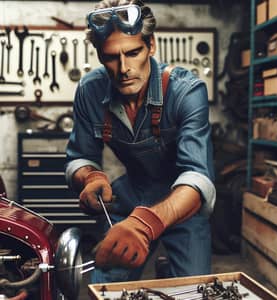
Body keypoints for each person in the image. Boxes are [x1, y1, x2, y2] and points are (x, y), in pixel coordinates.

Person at [65, 0, 216, 283]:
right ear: (99, 55)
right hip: (131, 194)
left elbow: (198, 177)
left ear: (151, 45)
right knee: (106, 287)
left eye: (133, 52)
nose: (123, 68)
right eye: (111, 57)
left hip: (181, 200)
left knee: (193, 288)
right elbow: (79, 157)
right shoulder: (89, 91)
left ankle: (167, 269)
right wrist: (90, 178)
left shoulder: (186, 91)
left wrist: (146, 223)